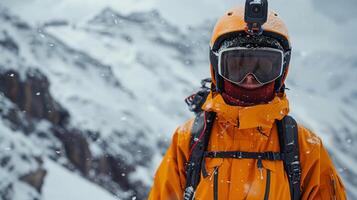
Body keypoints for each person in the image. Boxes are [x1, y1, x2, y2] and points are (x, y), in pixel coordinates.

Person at [148, 4, 346, 200]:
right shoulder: (189, 140)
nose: (250, 79)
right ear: (217, 69)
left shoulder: (305, 148)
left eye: (264, 69)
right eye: (237, 67)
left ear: (282, 71)